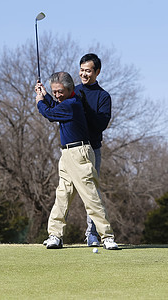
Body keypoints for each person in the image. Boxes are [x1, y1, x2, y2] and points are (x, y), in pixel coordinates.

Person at [34, 71, 118, 250]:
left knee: (91, 196)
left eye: (59, 91)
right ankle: (55, 235)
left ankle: (107, 236)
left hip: (79, 153)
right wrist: (45, 94)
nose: (57, 95)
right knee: (62, 195)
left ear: (70, 89)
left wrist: (40, 101)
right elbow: (54, 107)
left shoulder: (71, 104)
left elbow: (50, 113)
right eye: (54, 91)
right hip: (66, 155)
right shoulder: (67, 102)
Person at [74, 53, 111, 247]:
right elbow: (57, 110)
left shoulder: (103, 96)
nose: (83, 74)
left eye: (88, 70)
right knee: (65, 191)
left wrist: (85, 106)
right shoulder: (73, 91)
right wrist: (43, 96)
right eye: (81, 70)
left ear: (97, 72)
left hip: (93, 149)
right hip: (72, 150)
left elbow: (100, 125)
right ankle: (56, 234)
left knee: (92, 192)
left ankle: (92, 233)